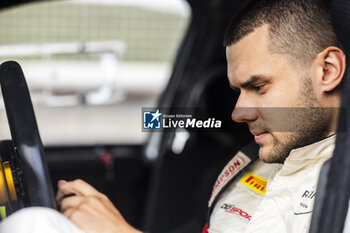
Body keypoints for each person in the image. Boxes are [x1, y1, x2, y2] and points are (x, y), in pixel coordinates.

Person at [0, 0, 346, 232]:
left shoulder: (340, 193)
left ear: (327, 71)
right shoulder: (249, 161)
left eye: (259, 86)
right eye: (236, 90)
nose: (238, 112)